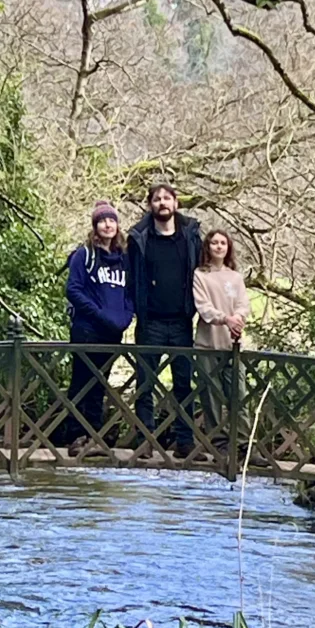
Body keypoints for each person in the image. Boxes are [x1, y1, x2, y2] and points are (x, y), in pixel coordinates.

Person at [127, 183, 202, 458]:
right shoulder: (140, 238)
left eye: (167, 198)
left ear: (176, 204)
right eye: (157, 199)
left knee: (184, 383)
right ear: (150, 205)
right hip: (151, 322)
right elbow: (131, 277)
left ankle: (185, 441)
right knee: (145, 382)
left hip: (182, 320)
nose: (162, 203)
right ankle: (145, 439)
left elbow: (203, 272)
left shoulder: (191, 236)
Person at [65, 201, 134, 456]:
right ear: (95, 226)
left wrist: (126, 317)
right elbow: (73, 290)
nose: (108, 225)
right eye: (103, 221)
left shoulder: (124, 259)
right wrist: (98, 314)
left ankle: (93, 434)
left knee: (100, 383)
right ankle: (75, 435)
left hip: (113, 331)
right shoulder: (85, 255)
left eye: (112, 221)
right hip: (87, 329)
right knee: (81, 381)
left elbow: (129, 293)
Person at [193, 229, 259, 460]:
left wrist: (237, 319)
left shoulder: (235, 277)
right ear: (207, 247)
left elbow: (243, 304)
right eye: (214, 243)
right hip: (208, 343)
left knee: (238, 395)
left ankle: (243, 443)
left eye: (223, 243)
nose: (219, 247)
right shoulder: (201, 275)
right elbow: (204, 307)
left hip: (233, 344)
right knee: (211, 396)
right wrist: (225, 318)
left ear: (228, 247)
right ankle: (218, 442)